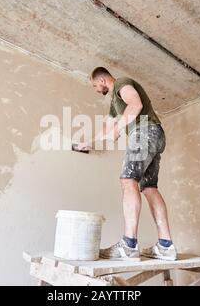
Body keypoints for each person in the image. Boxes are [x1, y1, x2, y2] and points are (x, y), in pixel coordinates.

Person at [75, 67, 177, 261]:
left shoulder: (122, 83)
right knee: (149, 188)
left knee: (128, 180)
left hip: (145, 132)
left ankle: (129, 245)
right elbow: (107, 128)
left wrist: (119, 128)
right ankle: (166, 246)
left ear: (103, 80)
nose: (96, 89)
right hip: (155, 135)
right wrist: (88, 142)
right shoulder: (114, 104)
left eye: (95, 85)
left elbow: (136, 104)